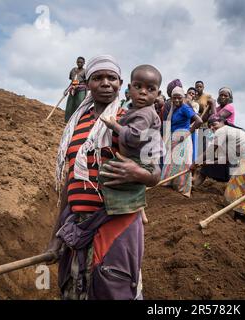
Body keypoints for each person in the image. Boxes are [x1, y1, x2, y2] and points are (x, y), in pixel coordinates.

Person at [45, 55, 161, 300]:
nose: (106, 83)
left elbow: (156, 172)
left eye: (112, 78)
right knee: (74, 289)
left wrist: (140, 173)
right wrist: (55, 238)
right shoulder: (76, 124)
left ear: (120, 84)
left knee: (114, 288)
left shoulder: (131, 119)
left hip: (116, 223)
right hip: (77, 223)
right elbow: (72, 180)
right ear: (87, 83)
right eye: (98, 78)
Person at [100, 64, 163, 225]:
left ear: (158, 94)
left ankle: (120, 211)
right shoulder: (132, 110)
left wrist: (114, 125)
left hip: (140, 160)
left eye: (150, 89)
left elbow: (134, 136)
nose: (143, 92)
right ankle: (138, 210)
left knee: (106, 174)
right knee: (128, 183)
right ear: (129, 88)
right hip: (137, 158)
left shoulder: (146, 113)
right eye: (138, 86)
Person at [192, 115, 245, 218]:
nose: (212, 128)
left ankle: (233, 214)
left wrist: (195, 163)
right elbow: (227, 159)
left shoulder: (222, 131)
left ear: (222, 122)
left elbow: (210, 151)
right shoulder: (229, 134)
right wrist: (208, 163)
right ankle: (240, 213)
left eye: (214, 124)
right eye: (209, 126)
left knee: (234, 187)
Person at [161, 86, 203, 197]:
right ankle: (171, 185)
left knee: (183, 164)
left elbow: (199, 121)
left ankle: (183, 189)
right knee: (172, 163)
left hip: (183, 138)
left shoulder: (185, 108)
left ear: (183, 97)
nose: (176, 100)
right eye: (174, 98)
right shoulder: (173, 109)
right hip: (174, 138)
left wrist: (188, 133)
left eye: (179, 97)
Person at [65, 57, 87, 122]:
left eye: (81, 62)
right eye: (78, 62)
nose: (79, 63)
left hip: (81, 90)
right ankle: (68, 121)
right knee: (70, 106)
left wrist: (86, 94)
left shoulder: (85, 72)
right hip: (72, 90)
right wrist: (66, 90)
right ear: (76, 62)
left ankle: (79, 120)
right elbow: (72, 81)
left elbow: (87, 84)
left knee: (79, 104)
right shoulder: (73, 70)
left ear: (84, 63)